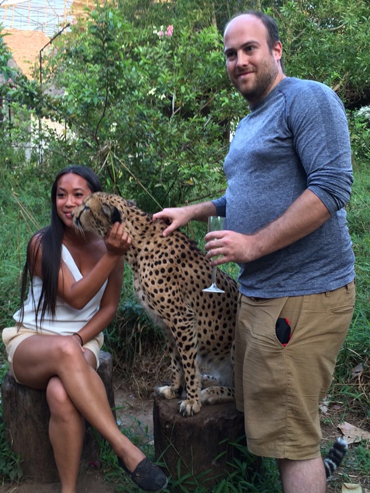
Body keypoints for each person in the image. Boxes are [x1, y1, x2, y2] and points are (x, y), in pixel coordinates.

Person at [153, 11, 355, 493]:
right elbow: (247, 194)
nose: (239, 60)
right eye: (230, 53)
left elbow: (332, 186)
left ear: (277, 50)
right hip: (262, 294)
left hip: (303, 294)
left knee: (292, 440)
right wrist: (197, 209)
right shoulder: (250, 122)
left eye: (250, 49)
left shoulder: (307, 99)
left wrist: (252, 244)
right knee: (269, 419)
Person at [2, 166, 168, 493]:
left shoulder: (109, 246)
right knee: (64, 349)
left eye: (79, 195)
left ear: (95, 200)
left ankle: (68, 489)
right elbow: (77, 298)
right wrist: (113, 254)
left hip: (81, 345)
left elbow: (108, 308)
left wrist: (79, 338)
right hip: (31, 344)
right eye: (61, 195)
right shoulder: (42, 244)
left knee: (60, 395)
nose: (68, 202)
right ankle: (124, 447)